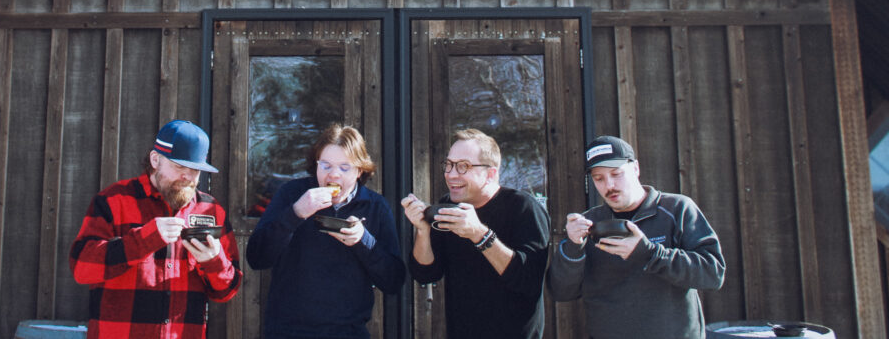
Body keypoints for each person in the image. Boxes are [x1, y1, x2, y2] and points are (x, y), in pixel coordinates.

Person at [70, 119, 242, 339]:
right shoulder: (114, 200)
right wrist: (143, 240)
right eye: (179, 166)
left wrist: (214, 260)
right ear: (155, 160)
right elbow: (82, 269)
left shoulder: (211, 210)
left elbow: (227, 292)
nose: (188, 177)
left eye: (196, 170)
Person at [549, 135, 725, 339]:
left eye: (616, 174)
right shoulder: (589, 223)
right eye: (599, 178)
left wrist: (650, 254)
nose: (609, 185)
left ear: (635, 169)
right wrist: (572, 246)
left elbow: (713, 273)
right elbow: (562, 292)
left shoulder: (677, 210)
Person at [246, 124, 406, 339]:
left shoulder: (375, 206)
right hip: (288, 331)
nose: (334, 175)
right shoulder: (292, 194)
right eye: (326, 165)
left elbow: (393, 280)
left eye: (344, 167)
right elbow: (257, 257)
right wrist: (295, 213)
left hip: (348, 332)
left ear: (360, 171)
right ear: (316, 165)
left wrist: (363, 241)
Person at [401, 128, 552, 339]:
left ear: (490, 174)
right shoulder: (448, 206)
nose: (451, 174)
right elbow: (425, 273)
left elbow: (528, 281)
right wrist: (423, 230)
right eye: (449, 165)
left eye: (463, 166)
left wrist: (480, 235)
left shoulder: (524, 208)